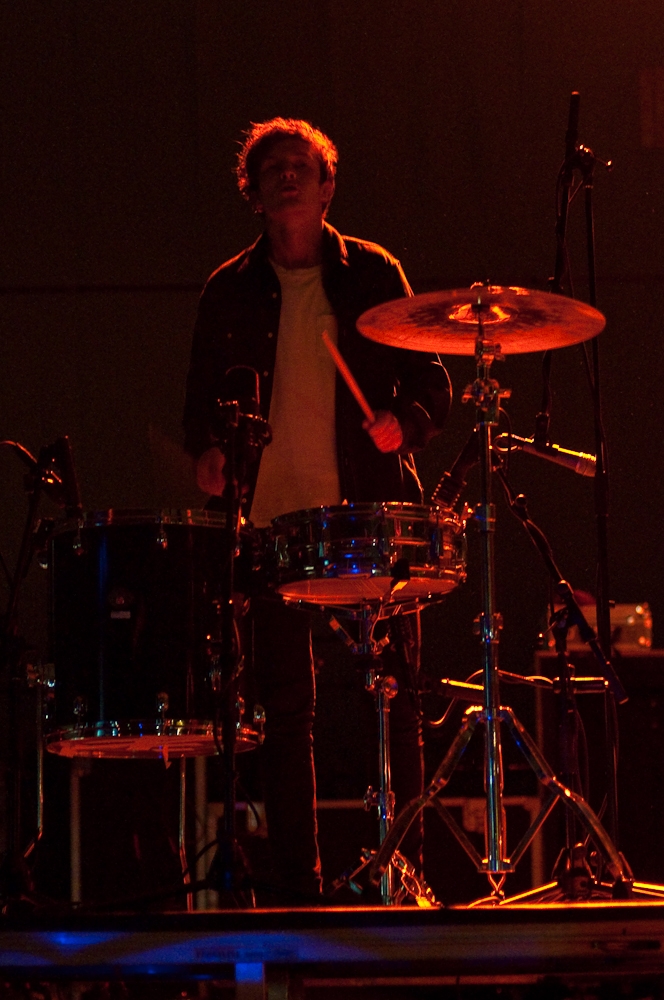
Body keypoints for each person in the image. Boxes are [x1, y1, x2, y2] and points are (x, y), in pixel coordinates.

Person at [183, 118, 451, 900]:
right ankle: (297, 887)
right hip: (271, 520)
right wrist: (208, 453)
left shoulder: (372, 274)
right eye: (272, 170)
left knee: (396, 698)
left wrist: (408, 421)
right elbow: (201, 405)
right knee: (285, 706)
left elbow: (432, 383)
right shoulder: (227, 289)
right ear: (254, 193)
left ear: (328, 185)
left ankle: (409, 874)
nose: (287, 178)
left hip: (364, 512)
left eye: (302, 167)